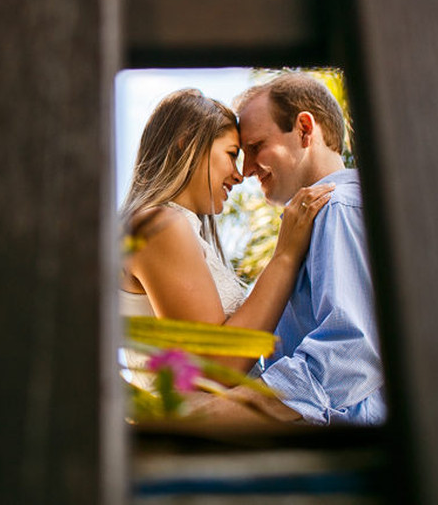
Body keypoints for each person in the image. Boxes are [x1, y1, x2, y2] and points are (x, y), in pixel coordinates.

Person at [119, 88, 334, 377]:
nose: (239, 173)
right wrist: (285, 255)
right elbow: (216, 367)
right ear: (186, 145)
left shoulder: (174, 228)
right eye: (232, 155)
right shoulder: (160, 224)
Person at [227, 72, 386, 426]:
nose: (247, 170)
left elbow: (352, 351)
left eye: (255, 147)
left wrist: (225, 411)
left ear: (303, 129)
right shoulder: (311, 223)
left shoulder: (338, 208)